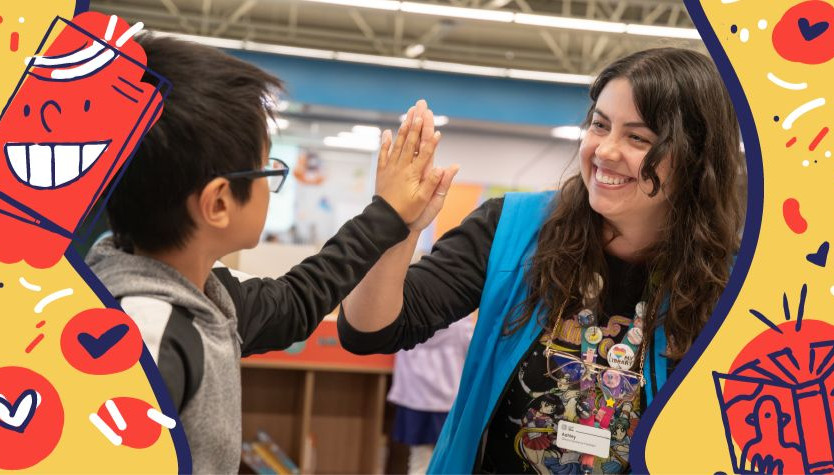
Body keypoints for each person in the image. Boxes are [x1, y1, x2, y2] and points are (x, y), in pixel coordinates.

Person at [338, 47, 744, 473]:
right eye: (600, 125)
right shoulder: (512, 231)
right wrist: (397, 227)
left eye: (638, 138)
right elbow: (370, 332)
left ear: (696, 158)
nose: (605, 150)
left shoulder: (728, 285)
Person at [86, 34, 455, 473]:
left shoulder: (199, 290)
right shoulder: (143, 336)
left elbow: (295, 302)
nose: (269, 185)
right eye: (267, 168)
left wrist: (388, 216)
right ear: (219, 203)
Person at [387, 314, 475, 474]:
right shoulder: (459, 315)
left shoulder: (412, 309)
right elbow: (470, 346)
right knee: (449, 456)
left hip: (415, 393)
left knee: (420, 459)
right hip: (448, 395)